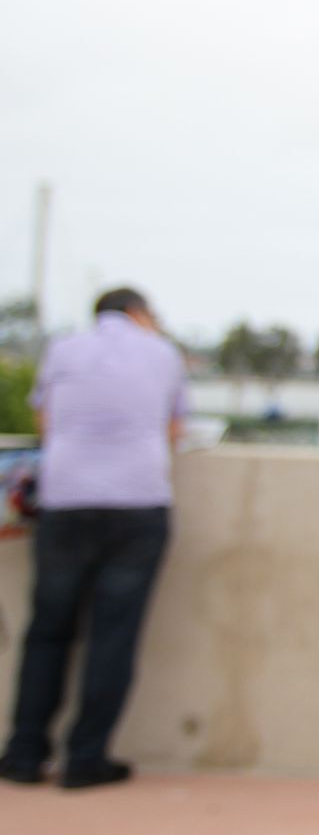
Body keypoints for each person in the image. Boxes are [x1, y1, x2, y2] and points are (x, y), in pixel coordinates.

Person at [0, 287, 189, 789]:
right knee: (113, 635)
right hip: (137, 504)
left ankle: (23, 754)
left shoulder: (62, 348)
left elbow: (45, 419)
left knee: (47, 631)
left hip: (65, 502)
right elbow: (174, 428)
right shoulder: (163, 352)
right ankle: (85, 760)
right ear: (138, 313)